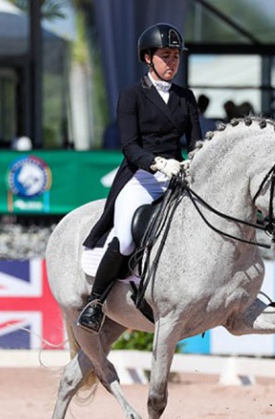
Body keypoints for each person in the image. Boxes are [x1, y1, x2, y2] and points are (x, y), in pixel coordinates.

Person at [77, 23, 202, 333]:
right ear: (148, 58)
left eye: (175, 57)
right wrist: (158, 163)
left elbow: (197, 143)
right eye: (165, 56)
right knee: (128, 236)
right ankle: (95, 302)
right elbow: (129, 146)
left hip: (177, 179)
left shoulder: (186, 97)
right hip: (142, 177)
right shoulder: (132, 95)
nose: (172, 62)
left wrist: (195, 161)